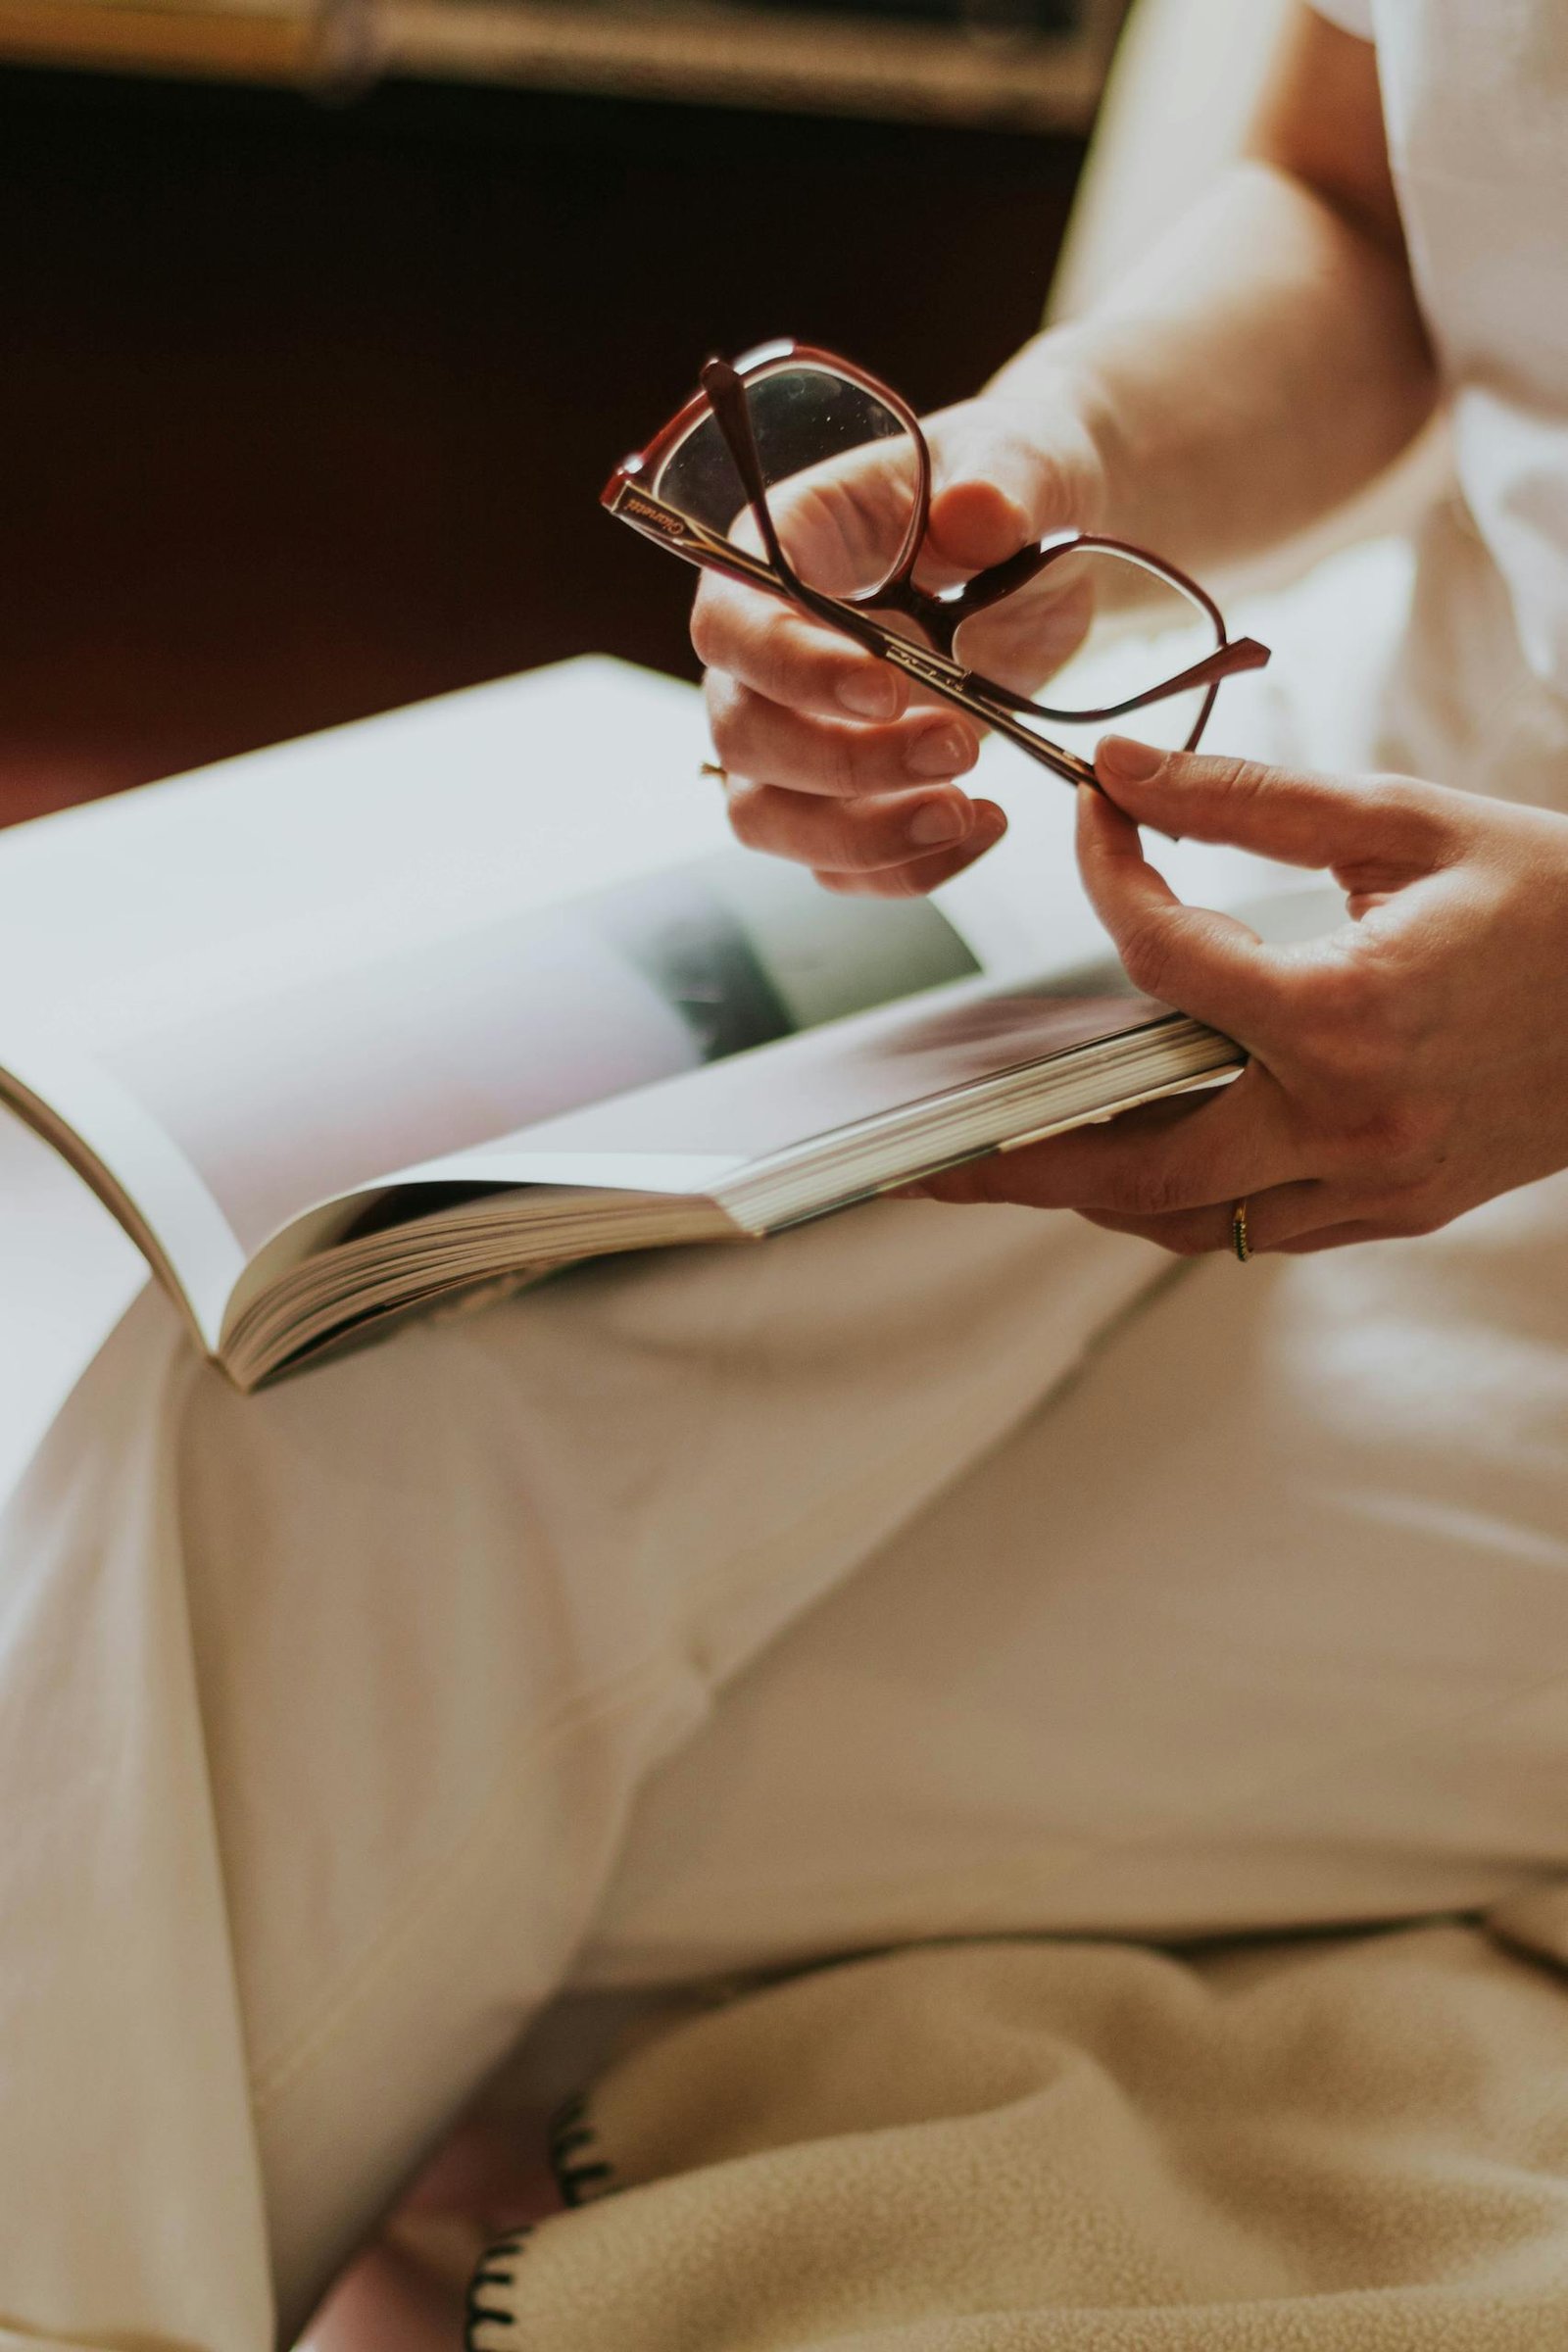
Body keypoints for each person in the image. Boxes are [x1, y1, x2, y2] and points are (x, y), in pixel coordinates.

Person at [6, 3, 1568, 2347]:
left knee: (213, 1788)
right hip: (1340, 803)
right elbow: (1356, 203)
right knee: (194, 1345)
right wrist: (1037, 466)